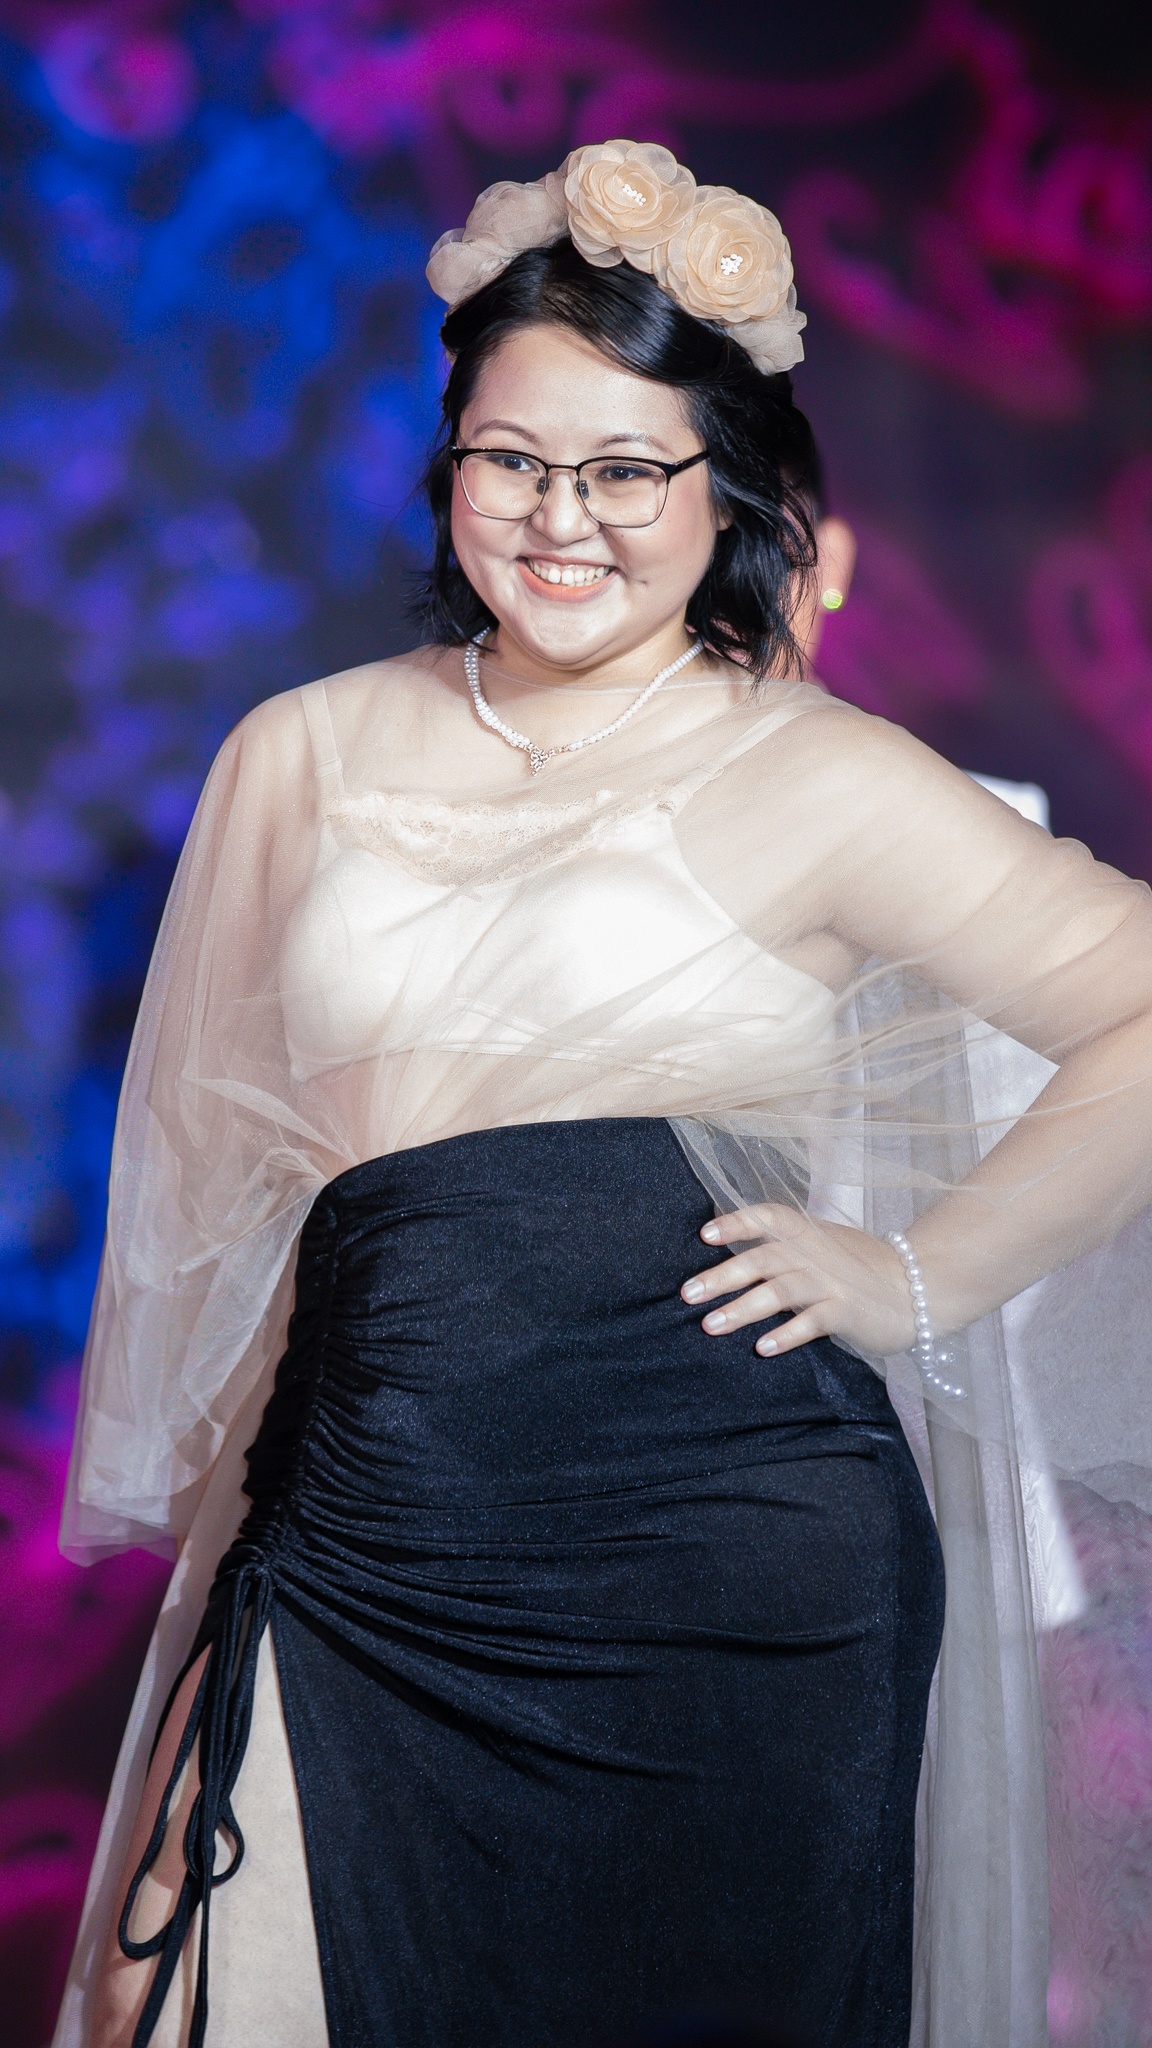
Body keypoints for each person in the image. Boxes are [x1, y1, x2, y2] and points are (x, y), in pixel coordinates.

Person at [53, 142, 1152, 2048]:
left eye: (629, 469)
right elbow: (234, 1210)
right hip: (367, 1532)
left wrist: (919, 1275)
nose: (564, 518)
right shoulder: (302, 753)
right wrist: (239, 1560)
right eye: (512, 459)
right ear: (448, 467)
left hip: (734, 1572)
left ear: (726, 488)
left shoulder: (818, 771)